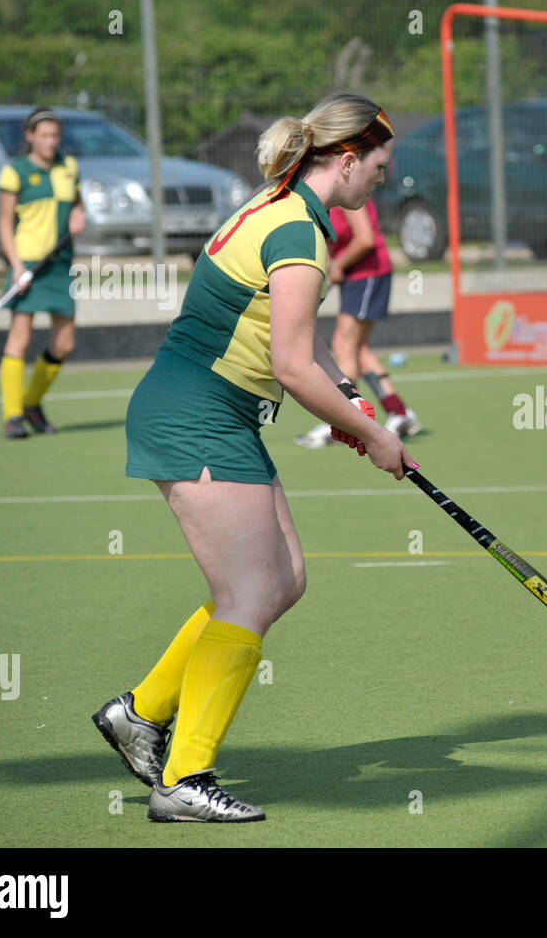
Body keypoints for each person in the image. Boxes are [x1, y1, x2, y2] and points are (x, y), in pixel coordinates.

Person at [93, 93, 415, 822]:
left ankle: (138, 714)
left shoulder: (278, 205)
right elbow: (293, 368)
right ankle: (184, 776)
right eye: (379, 167)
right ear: (345, 158)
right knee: (248, 593)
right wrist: (377, 433)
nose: (382, 183)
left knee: (283, 579)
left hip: (221, 413)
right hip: (196, 414)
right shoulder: (299, 233)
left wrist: (352, 401)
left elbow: (306, 347)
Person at [295, 196, 422, 447]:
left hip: (368, 274)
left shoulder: (349, 196)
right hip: (358, 276)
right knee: (358, 348)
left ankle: (342, 421)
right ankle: (400, 412)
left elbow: (365, 239)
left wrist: (340, 265)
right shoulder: (329, 200)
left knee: (343, 344)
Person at [0, 107, 86, 439]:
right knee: (20, 337)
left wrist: (79, 212)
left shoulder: (69, 167)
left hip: (60, 265)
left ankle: (30, 403)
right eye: (45, 136)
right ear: (30, 136)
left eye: (55, 136)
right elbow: (5, 224)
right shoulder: (14, 172)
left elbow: (78, 202)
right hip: (29, 265)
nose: (51, 142)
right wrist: (17, 267)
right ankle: (12, 416)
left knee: (64, 343)